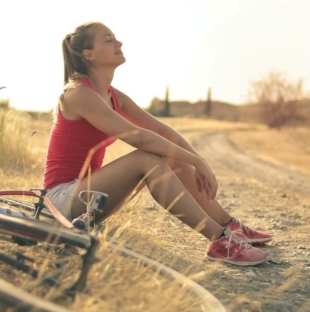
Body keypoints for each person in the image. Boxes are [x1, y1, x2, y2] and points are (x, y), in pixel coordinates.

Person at [43, 21, 272, 266]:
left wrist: (198, 162)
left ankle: (229, 226)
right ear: (89, 55)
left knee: (173, 156)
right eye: (108, 40)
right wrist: (196, 161)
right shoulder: (78, 94)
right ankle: (218, 240)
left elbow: (162, 130)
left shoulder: (112, 95)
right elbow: (139, 137)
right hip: (61, 201)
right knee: (147, 157)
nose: (118, 43)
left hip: (90, 199)